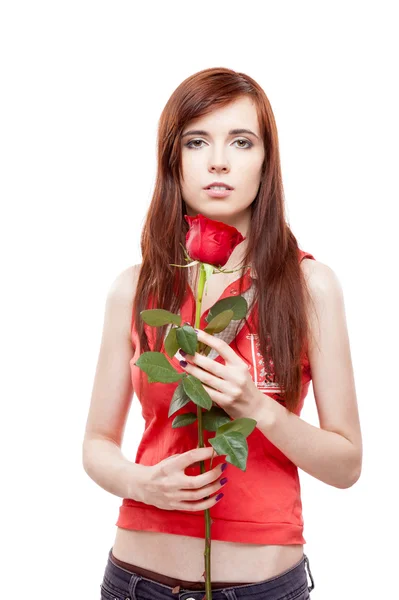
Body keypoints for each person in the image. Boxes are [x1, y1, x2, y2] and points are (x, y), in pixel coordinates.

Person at [83, 67, 362, 600]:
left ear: (265, 161)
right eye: (196, 141)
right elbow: (97, 442)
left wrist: (257, 406)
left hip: (262, 588)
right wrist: (141, 483)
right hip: (135, 581)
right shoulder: (135, 289)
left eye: (241, 141)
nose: (218, 160)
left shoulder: (310, 287)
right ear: (175, 161)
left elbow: (347, 464)